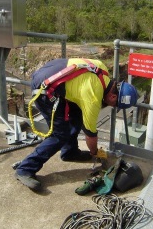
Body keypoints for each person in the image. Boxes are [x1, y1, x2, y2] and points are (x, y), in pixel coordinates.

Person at [14, 58, 138, 190]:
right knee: (60, 134)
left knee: (77, 114)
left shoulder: (102, 70)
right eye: (115, 105)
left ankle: (70, 152)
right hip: (45, 89)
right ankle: (25, 168)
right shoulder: (93, 98)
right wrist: (95, 152)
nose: (112, 107)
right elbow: (90, 134)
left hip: (48, 74)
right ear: (113, 97)